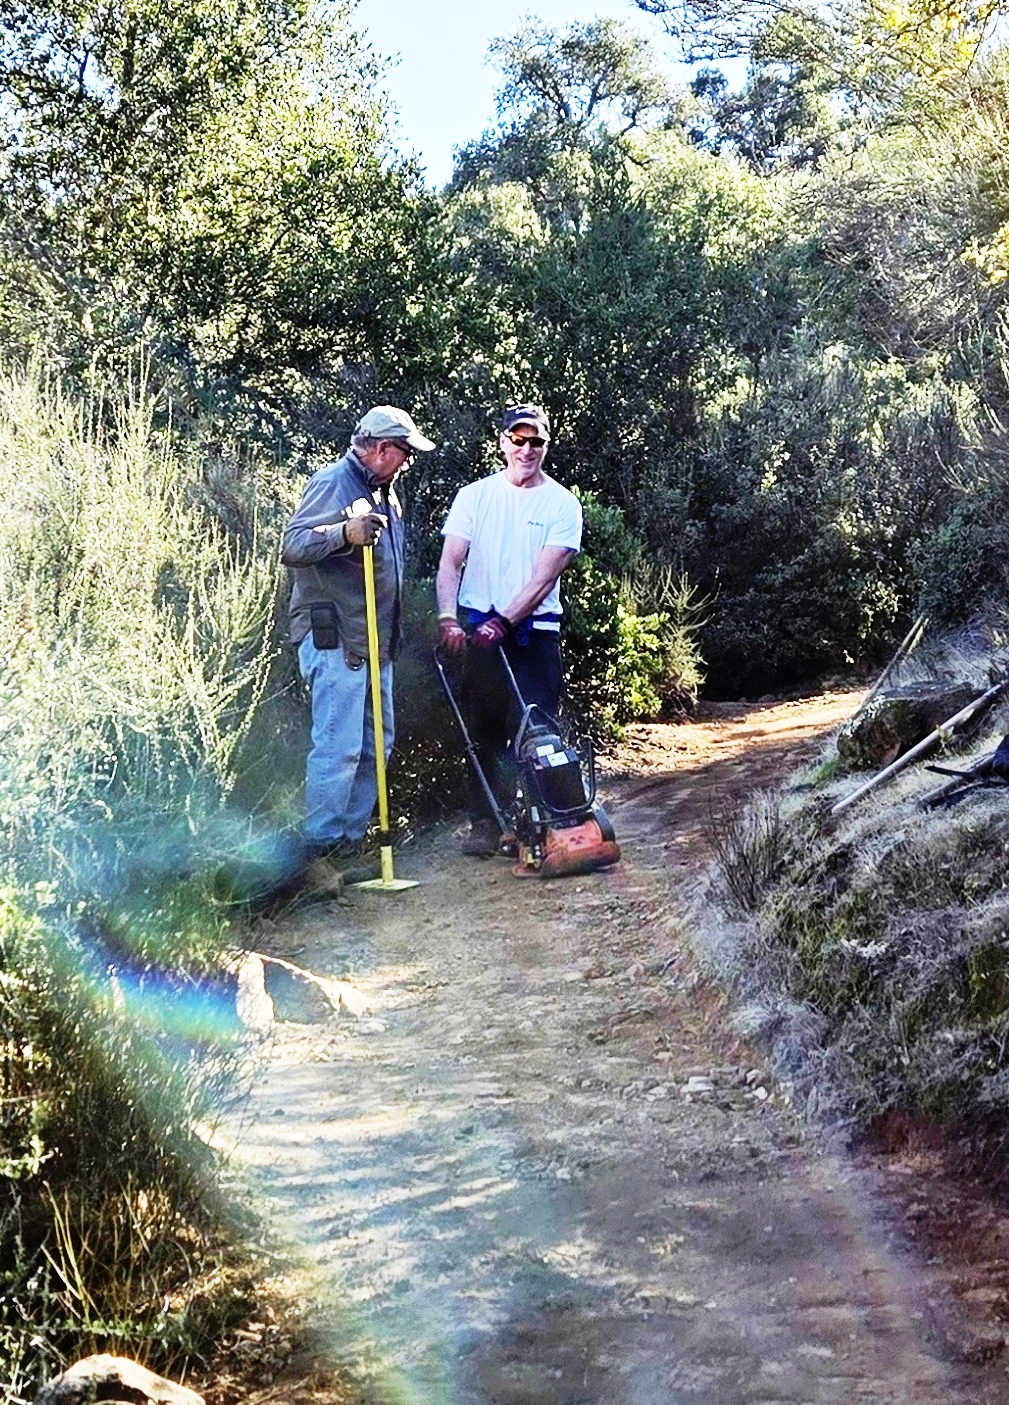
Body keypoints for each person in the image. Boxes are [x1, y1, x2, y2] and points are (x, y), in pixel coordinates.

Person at [282, 405, 435, 882]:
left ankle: (347, 845)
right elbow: (292, 545)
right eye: (405, 452)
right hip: (337, 639)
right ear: (382, 449)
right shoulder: (334, 483)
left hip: (375, 641)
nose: (409, 461)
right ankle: (318, 853)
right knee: (339, 746)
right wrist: (342, 533)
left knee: (376, 744)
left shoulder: (386, 493)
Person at [435, 403, 583, 856]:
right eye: (518, 440)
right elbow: (450, 562)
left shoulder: (562, 503)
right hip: (481, 634)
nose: (526, 449)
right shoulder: (474, 497)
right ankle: (488, 823)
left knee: (538, 728)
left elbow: (544, 578)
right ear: (503, 442)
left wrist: (506, 620)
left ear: (546, 445)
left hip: (533, 634)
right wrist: (447, 617)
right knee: (482, 730)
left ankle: (557, 821)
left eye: (536, 441)